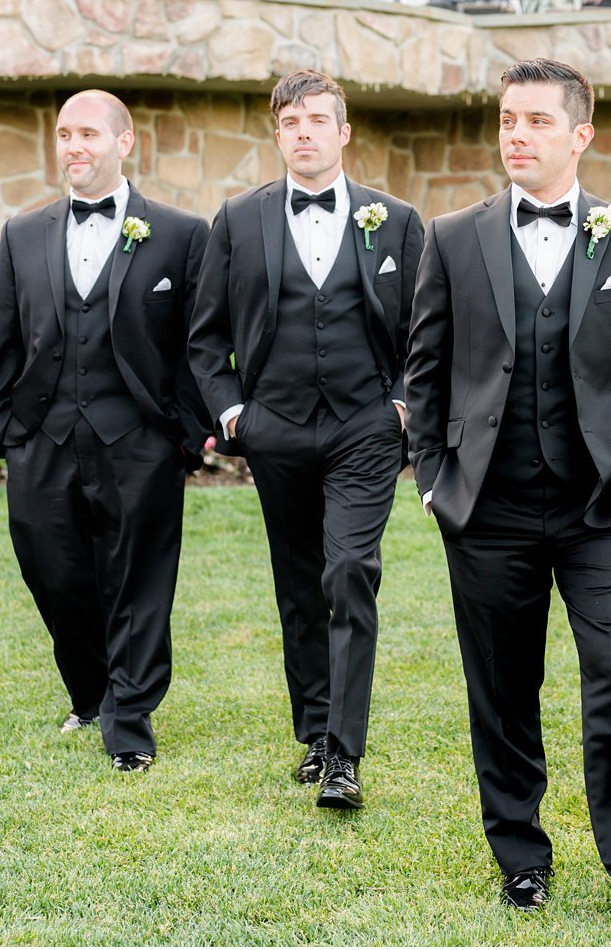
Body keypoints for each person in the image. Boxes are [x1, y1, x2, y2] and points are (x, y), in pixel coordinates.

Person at [404, 58, 611, 918]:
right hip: (486, 506)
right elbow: (425, 369)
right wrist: (430, 478)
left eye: (534, 121)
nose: (515, 135)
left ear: (579, 134)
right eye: (506, 119)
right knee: (501, 685)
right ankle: (520, 853)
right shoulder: (453, 237)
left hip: (606, 503)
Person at [188, 70, 424, 811]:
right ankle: (316, 732)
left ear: (344, 132)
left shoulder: (397, 220)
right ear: (278, 132)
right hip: (275, 429)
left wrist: (401, 406)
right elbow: (204, 338)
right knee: (298, 586)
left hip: (364, 428)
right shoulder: (237, 219)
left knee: (349, 569)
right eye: (291, 122)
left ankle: (345, 755)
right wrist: (234, 415)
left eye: (318, 120)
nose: (304, 133)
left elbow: (427, 333)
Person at [0, 89, 211, 773]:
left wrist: (187, 435)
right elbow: (5, 337)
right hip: (42, 436)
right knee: (53, 571)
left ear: (124, 142)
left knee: (140, 579)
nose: (73, 146)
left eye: (87, 133)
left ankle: (130, 718)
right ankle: (90, 691)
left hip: (140, 439)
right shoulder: (22, 234)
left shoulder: (178, 233)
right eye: (63, 134)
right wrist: (3, 434)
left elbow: (197, 344)